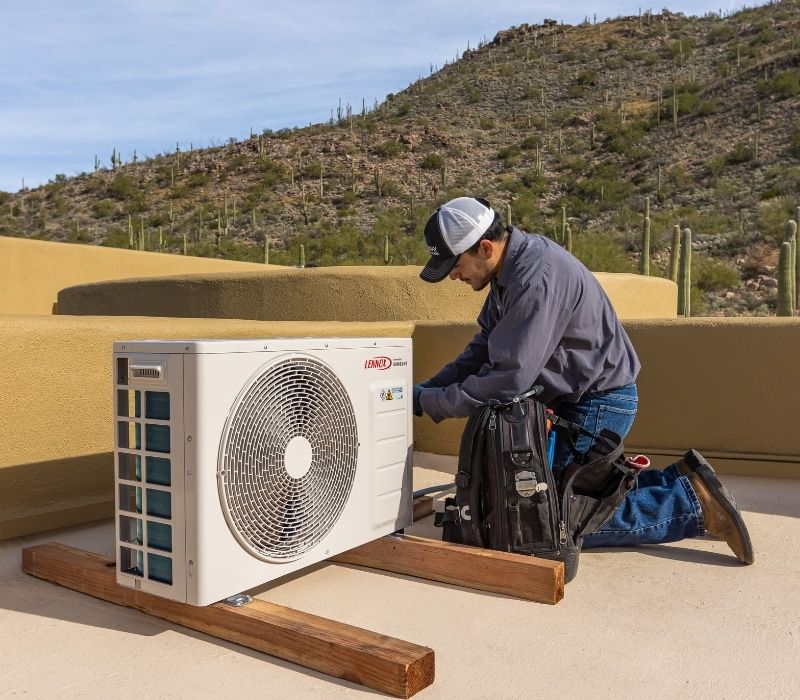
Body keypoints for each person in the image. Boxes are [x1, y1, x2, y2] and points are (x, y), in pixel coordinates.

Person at [413, 196, 753, 564]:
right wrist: (425, 390)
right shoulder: (507, 274)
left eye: (455, 265)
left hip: (598, 403)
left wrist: (430, 403)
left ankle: (689, 505)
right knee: (557, 497)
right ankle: (682, 482)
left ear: (484, 247)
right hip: (580, 399)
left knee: (545, 521)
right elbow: (480, 351)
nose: (453, 275)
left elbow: (508, 380)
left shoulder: (535, 276)